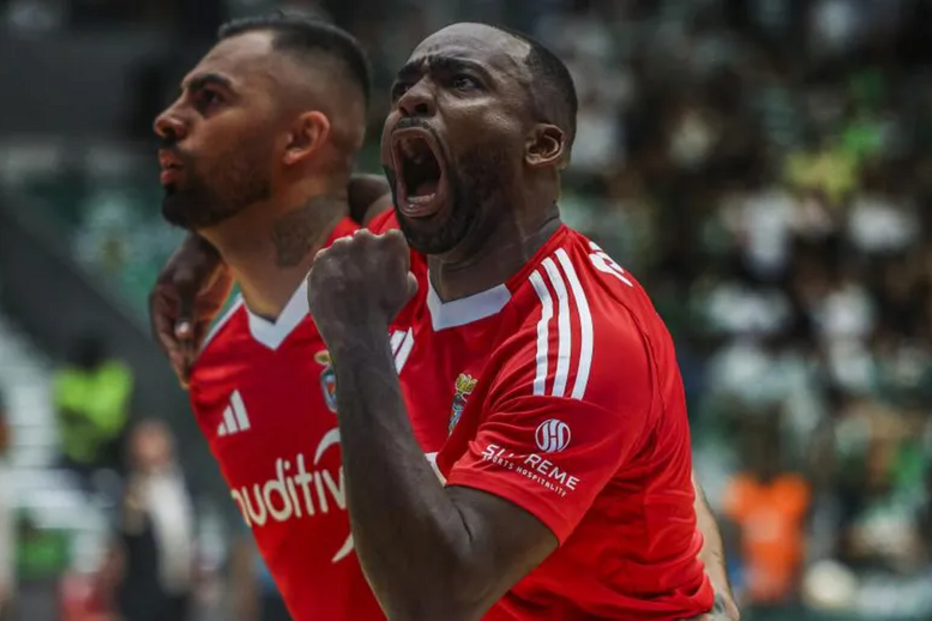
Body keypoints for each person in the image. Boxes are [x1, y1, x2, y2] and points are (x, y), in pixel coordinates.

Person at [148, 19, 738, 621]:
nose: (414, 97)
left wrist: (356, 339)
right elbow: (347, 193)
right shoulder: (413, 250)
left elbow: (433, 602)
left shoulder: (572, 338)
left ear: (542, 146)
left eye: (461, 82)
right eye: (405, 86)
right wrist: (212, 247)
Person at [150, 11, 430, 621]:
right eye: (179, 96)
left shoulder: (426, 273)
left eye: (210, 98)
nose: (167, 119)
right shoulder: (208, 365)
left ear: (301, 139)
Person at [113, 420, 197, 621]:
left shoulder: (182, 482)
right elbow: (128, 532)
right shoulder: (133, 487)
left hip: (180, 589)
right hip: (145, 594)